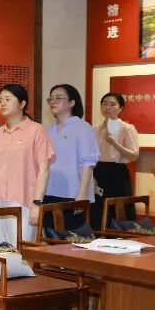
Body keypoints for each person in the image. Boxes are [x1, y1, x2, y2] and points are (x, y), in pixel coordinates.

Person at [0, 84, 54, 245]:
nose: (2, 103)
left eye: (8, 99)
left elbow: (44, 169)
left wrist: (37, 203)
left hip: (23, 200)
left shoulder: (36, 130)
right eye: (0, 100)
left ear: (22, 104)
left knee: (22, 250)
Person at [43, 84, 99, 232]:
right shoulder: (49, 130)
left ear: (72, 103)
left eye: (58, 98)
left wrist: (82, 194)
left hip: (73, 194)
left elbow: (87, 163)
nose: (53, 101)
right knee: (50, 236)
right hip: (49, 191)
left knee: (72, 238)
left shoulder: (83, 128)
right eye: (51, 99)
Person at [91, 92, 139, 229]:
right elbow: (91, 155)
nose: (108, 107)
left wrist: (114, 143)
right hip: (98, 171)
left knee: (118, 209)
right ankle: (98, 236)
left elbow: (134, 155)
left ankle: (119, 236)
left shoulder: (127, 128)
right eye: (104, 104)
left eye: (112, 104)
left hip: (117, 173)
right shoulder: (95, 129)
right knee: (98, 209)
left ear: (120, 108)